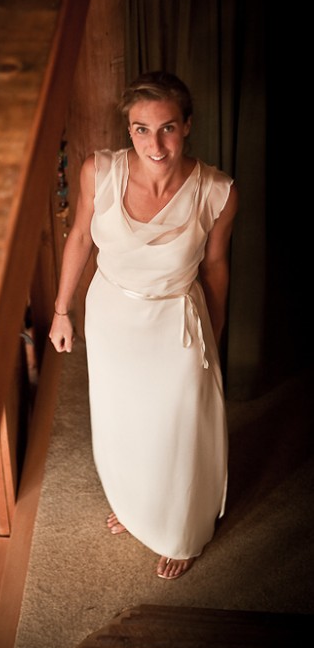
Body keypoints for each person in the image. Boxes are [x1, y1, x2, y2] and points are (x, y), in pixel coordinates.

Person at [49, 71, 238, 580]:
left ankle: (182, 530)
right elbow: (81, 237)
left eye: (168, 128)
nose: (155, 143)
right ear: (128, 130)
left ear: (187, 126)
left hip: (175, 322)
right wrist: (62, 309)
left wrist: (213, 336)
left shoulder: (217, 190)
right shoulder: (98, 172)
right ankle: (139, 510)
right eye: (141, 129)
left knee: (176, 430)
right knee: (124, 422)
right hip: (112, 318)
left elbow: (216, 267)